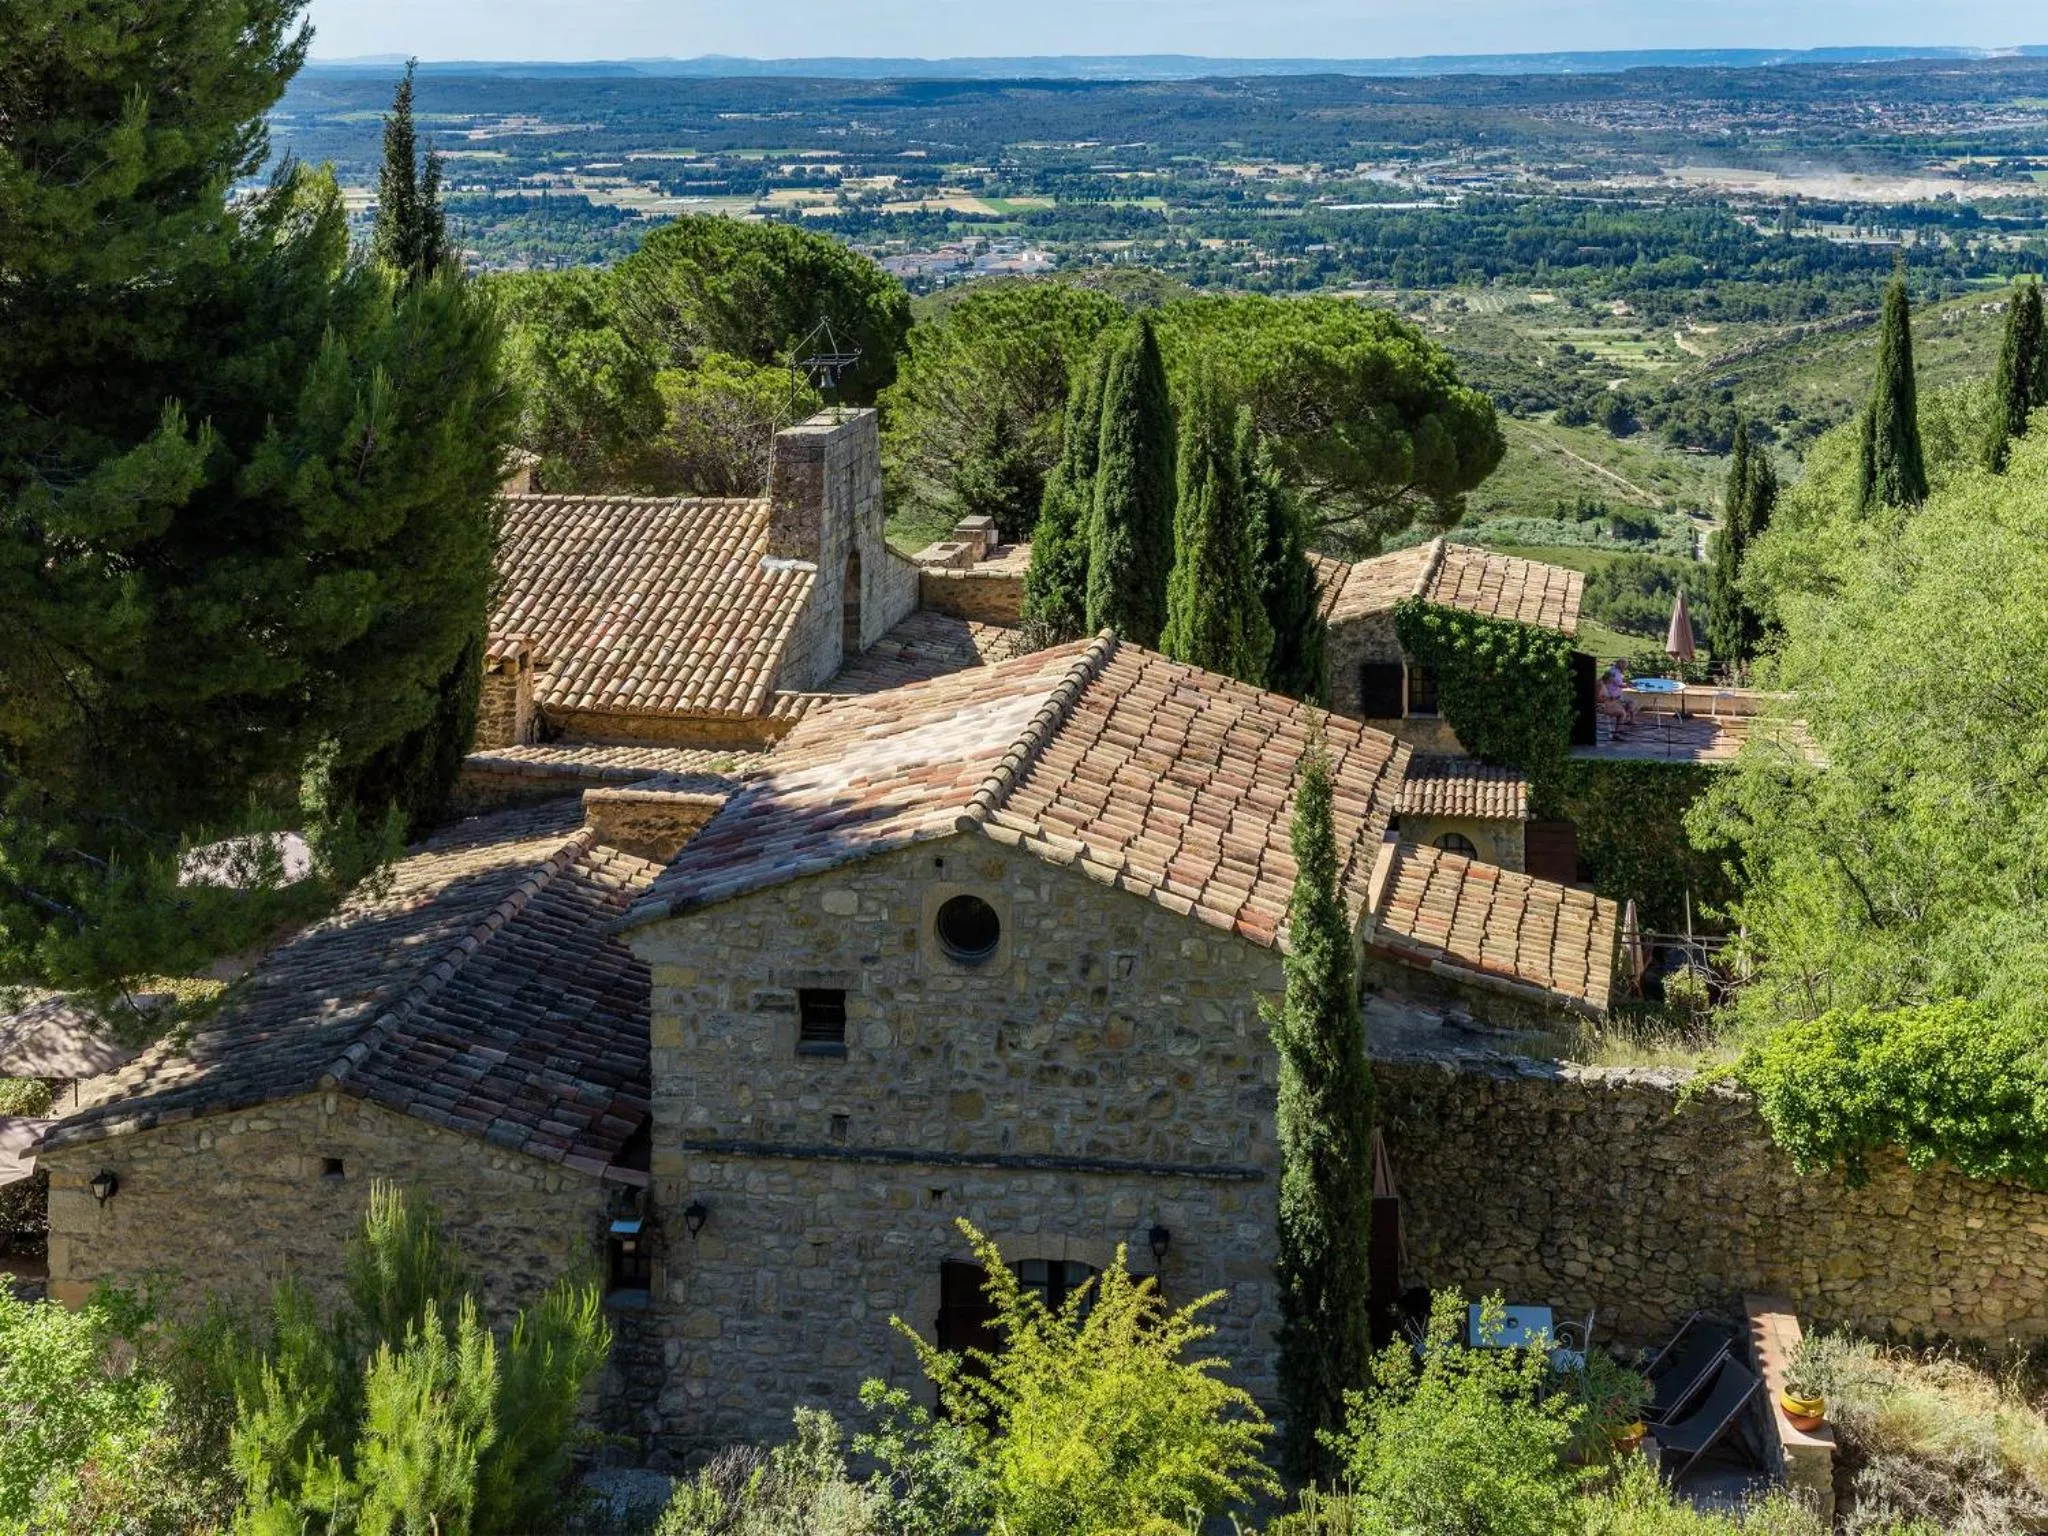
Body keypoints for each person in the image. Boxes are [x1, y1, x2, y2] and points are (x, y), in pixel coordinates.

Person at [1597, 660, 1637, 733]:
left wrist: (1610, 698)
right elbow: (1598, 699)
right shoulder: (1601, 685)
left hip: (1610, 699)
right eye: (1625, 666)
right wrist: (1610, 698)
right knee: (1627, 707)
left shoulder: (1608, 678)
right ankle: (1619, 729)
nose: (1611, 682)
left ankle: (1622, 726)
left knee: (1624, 709)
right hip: (1604, 704)